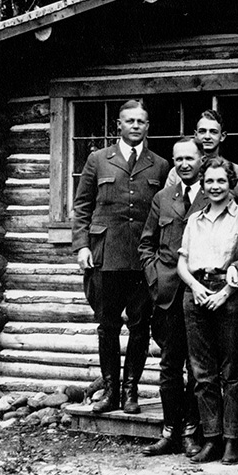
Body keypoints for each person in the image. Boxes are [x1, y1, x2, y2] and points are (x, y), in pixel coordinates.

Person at [73, 98, 170, 415]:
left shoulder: (159, 165)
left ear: (147, 127)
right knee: (108, 326)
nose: (135, 126)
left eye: (141, 122)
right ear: (119, 124)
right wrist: (82, 246)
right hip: (106, 255)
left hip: (142, 259)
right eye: (130, 121)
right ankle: (110, 392)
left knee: (141, 327)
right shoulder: (98, 159)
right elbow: (82, 207)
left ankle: (131, 393)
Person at [177, 157, 238, 464]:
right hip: (196, 295)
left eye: (220, 181)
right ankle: (210, 439)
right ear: (203, 184)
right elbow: (182, 263)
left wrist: (226, 292)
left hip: (229, 295)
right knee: (202, 373)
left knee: (232, 372)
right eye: (209, 181)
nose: (214, 187)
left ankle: (231, 441)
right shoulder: (195, 219)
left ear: (230, 184)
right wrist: (195, 287)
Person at [138, 138, 208, 457]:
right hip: (167, 294)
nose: (183, 164)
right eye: (177, 159)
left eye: (189, 158)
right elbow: (146, 245)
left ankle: (192, 431)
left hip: (199, 292)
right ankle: (170, 431)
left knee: (197, 367)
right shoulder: (163, 198)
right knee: (169, 365)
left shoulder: (213, 194)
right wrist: (155, 279)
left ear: (201, 159)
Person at [167, 109, 238, 189]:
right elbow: (168, 198)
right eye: (202, 131)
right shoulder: (177, 172)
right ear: (195, 135)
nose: (207, 137)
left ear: (222, 136)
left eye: (213, 132)